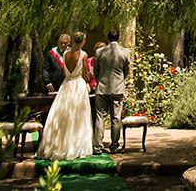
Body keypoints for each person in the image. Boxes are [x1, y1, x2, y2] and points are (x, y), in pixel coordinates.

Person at [38, 31, 93, 160]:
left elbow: (64, 72)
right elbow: (85, 74)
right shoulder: (83, 54)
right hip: (78, 85)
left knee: (62, 114)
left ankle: (59, 144)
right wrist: (87, 79)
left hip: (66, 85)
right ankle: (75, 146)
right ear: (83, 41)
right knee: (78, 116)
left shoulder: (65, 54)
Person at [93, 30, 130, 155]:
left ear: (108, 38)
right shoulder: (125, 52)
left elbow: (95, 70)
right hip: (117, 88)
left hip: (102, 88)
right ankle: (114, 146)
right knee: (116, 118)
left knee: (100, 117)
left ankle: (97, 146)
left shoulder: (99, 52)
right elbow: (127, 70)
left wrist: (100, 80)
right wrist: (120, 80)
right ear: (118, 38)